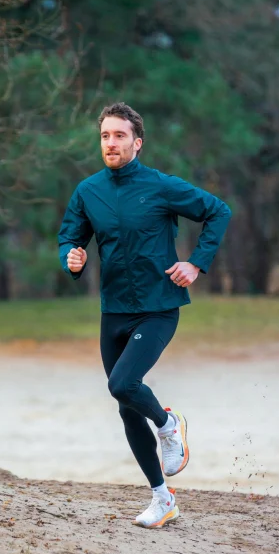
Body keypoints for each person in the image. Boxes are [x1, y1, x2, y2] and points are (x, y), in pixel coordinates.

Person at [58, 102, 231, 528]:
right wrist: (72, 257)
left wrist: (196, 263)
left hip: (158, 307)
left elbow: (218, 211)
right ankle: (162, 498)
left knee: (122, 383)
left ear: (137, 142)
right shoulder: (88, 191)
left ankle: (169, 424)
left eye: (119, 135)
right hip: (114, 310)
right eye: (105, 136)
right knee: (125, 405)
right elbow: (69, 238)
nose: (111, 143)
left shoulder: (161, 186)